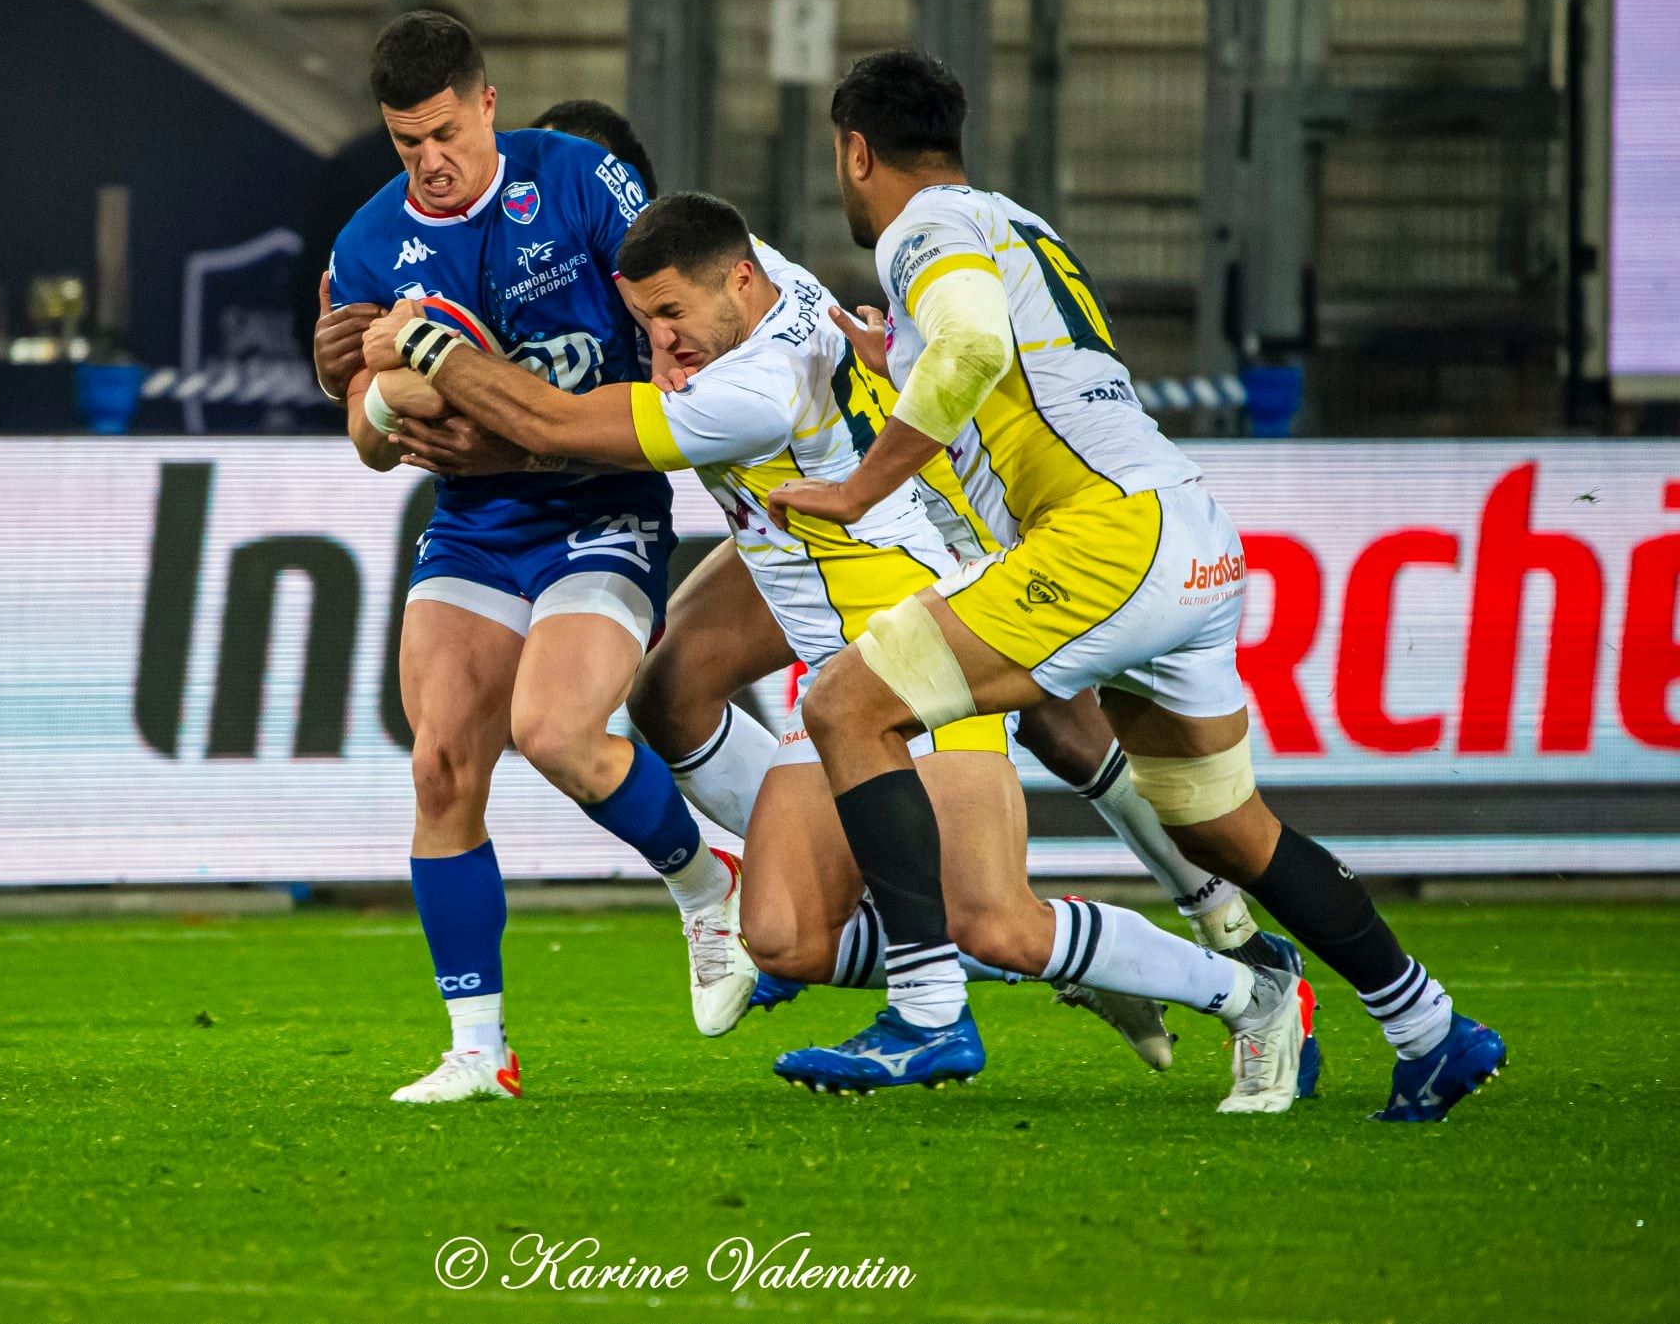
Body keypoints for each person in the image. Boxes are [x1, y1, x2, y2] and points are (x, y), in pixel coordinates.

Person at [318, 102, 1308, 1074]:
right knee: (782, 930)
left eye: (667, 320)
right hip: (829, 631)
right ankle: (1005, 950)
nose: (660, 348)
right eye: (643, 323)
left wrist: (426, 355)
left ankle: (1242, 981)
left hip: (908, 636)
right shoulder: (751, 279)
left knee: (1000, 909)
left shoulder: (743, 391)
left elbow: (558, 430)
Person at [768, 48, 1506, 1122]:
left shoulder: (916, 229)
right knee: (1221, 827)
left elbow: (973, 342)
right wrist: (903, 356)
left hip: (1108, 536)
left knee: (845, 703)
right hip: (1188, 531)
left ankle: (925, 1017)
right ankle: (1428, 1027)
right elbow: (1011, 359)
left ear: (854, 149)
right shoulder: (1011, 219)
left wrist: (860, 482)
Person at [330, 13, 756, 1104]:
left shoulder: (577, 178)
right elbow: (368, 440)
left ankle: (707, 890)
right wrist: (383, 395)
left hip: (596, 503)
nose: (428, 160)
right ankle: (480, 1050)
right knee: (438, 765)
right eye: (402, 142)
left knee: (557, 731)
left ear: (486, 103)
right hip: (474, 521)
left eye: (441, 132)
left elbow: (664, 313)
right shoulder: (371, 242)